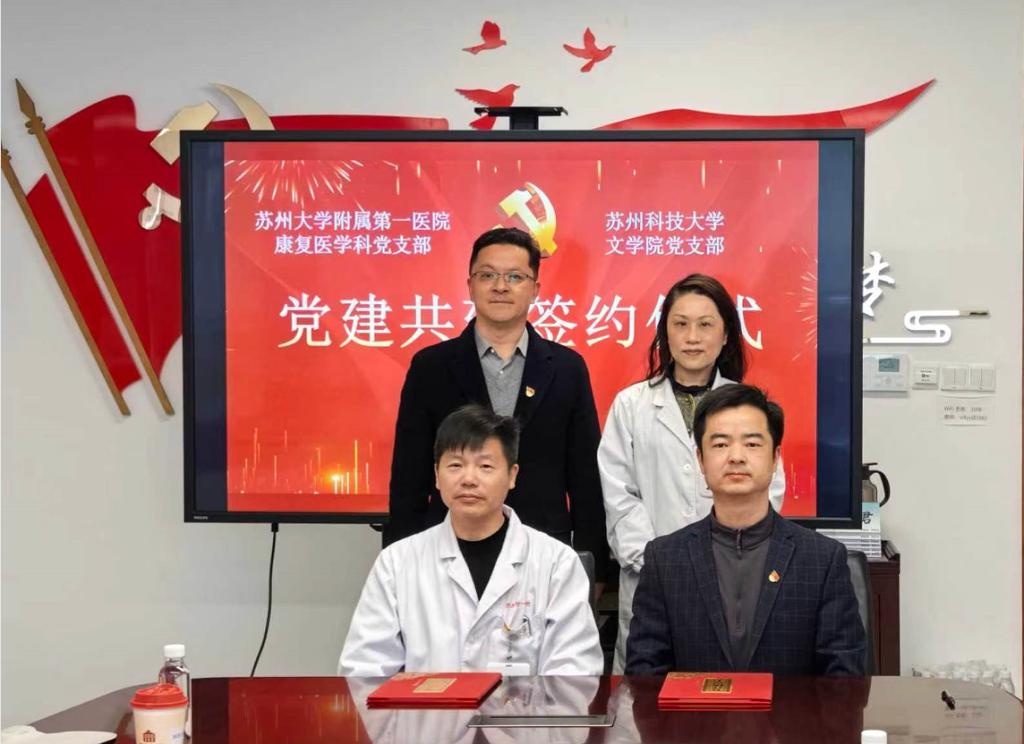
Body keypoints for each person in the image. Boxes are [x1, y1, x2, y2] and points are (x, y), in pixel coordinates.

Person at [385, 227, 608, 588]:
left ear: (535, 289)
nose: (501, 286)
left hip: (544, 551)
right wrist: (400, 560)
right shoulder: (431, 367)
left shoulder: (567, 368)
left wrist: (592, 562)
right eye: (487, 275)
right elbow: (409, 475)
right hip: (449, 550)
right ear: (470, 285)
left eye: (515, 277)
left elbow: (585, 475)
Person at [598, 274, 785, 672]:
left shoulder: (749, 406)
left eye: (705, 324)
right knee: (648, 695)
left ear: (726, 335)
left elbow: (766, 488)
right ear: (665, 333)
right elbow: (618, 495)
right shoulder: (631, 405)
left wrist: (726, 557)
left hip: (735, 575)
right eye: (680, 324)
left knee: (730, 693)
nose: (692, 337)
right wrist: (658, 564)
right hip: (651, 578)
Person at [339, 404, 603, 677]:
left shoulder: (556, 563)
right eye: (455, 465)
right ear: (437, 475)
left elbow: (575, 675)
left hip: (526, 707)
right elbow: (364, 671)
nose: (468, 479)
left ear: (512, 475)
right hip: (425, 707)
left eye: (485, 466)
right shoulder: (396, 563)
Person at [624, 384, 865, 676]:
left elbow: (844, 679)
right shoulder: (665, 559)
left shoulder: (822, 559)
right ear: (700, 461)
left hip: (790, 709)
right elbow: (645, 675)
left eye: (752, 444)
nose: (736, 457)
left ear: (775, 458)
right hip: (691, 709)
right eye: (720, 445)